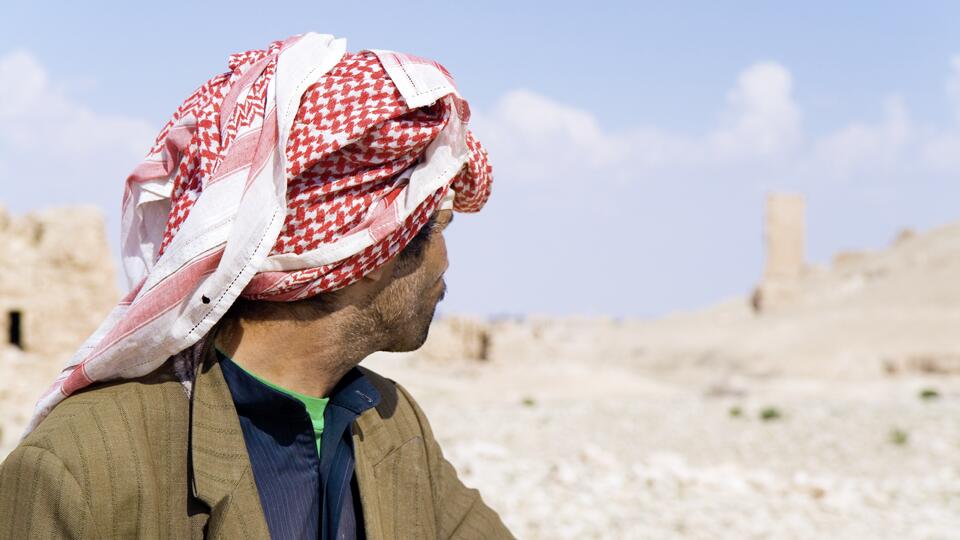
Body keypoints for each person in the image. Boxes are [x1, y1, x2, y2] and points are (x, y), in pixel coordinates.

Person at [0, 33, 514, 539]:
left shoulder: (391, 426)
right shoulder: (82, 469)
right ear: (370, 249)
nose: (446, 260)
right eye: (438, 225)